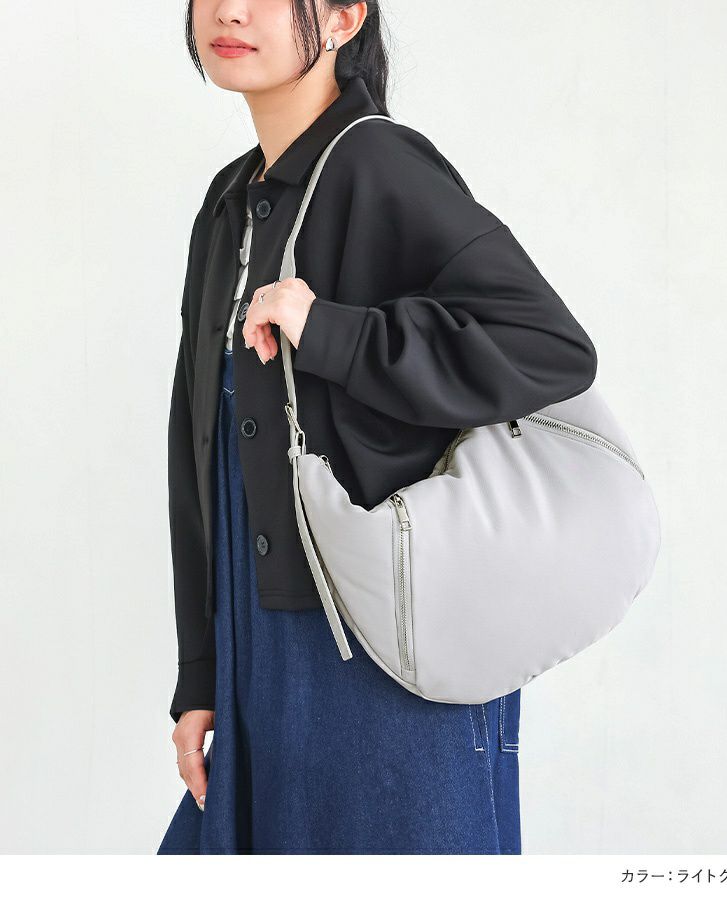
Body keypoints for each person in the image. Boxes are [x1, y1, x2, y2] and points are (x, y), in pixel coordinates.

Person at [158, 0, 598, 855]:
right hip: (262, 656)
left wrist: (331, 332)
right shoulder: (229, 204)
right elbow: (196, 448)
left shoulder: (379, 164)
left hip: (389, 661)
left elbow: (549, 348)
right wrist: (200, 674)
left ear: (344, 16)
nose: (230, 11)